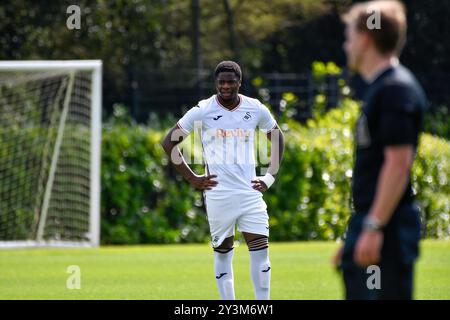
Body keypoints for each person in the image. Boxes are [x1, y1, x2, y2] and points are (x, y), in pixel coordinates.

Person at [161, 61, 285, 300]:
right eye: (221, 82)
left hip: (250, 193)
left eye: (230, 82)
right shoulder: (202, 110)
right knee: (223, 252)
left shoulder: (255, 108)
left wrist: (269, 177)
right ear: (216, 84)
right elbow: (169, 142)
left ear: (240, 82)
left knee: (260, 252)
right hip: (218, 195)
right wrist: (192, 178)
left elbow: (278, 138)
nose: (226, 86)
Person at [332, 0, 428, 300]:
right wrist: (358, 232)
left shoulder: (395, 89)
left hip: (387, 233)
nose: (346, 46)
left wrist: (373, 227)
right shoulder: (380, 89)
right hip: (374, 225)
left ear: (365, 37)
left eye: (349, 37)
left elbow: (398, 163)